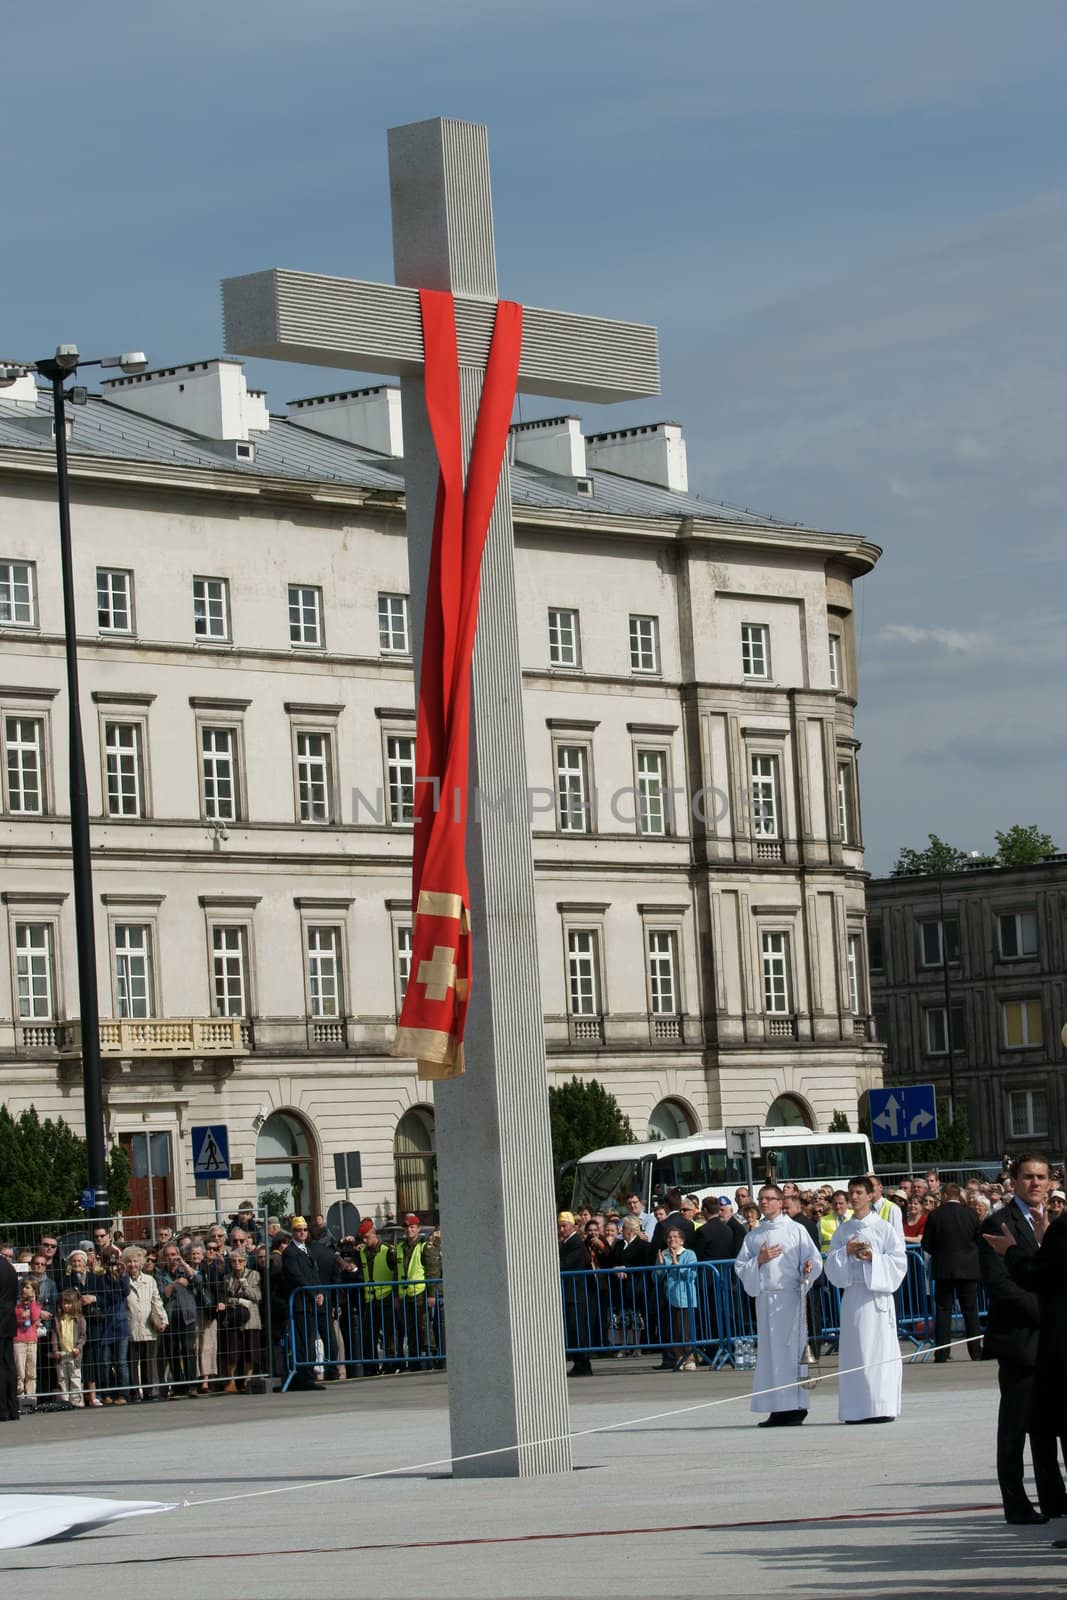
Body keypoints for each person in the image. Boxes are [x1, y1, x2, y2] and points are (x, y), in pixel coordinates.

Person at [980, 1152, 1067, 1524]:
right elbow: (1001, 1284)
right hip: (1020, 1339)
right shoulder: (999, 1222)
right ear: (1013, 1181)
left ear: (1051, 1182)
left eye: (1042, 1177)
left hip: (1053, 1343)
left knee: (1050, 1426)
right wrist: (1047, 1313)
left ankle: (1054, 1500)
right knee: (1016, 1426)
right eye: (1028, 1177)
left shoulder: (1055, 1222)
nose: (1035, 1183)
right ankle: (1015, 1501)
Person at [734, 1183, 821, 1426]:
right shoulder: (754, 1235)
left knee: (792, 1353)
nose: (764, 1202)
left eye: (770, 1198)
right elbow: (740, 1267)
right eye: (761, 1198)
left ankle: (796, 1406)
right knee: (771, 1355)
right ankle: (776, 1407)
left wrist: (808, 1268)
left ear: (780, 1202)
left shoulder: (796, 1230)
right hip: (766, 1300)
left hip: (790, 1298)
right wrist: (759, 1261)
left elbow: (812, 1258)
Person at [824, 1175, 907, 1424]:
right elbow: (831, 1265)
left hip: (877, 1295)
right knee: (855, 1352)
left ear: (870, 1195)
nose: (854, 1197)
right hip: (854, 1296)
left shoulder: (882, 1228)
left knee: (879, 1352)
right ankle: (856, 1408)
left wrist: (874, 1259)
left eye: (859, 1192)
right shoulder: (844, 1230)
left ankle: (881, 1405)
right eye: (851, 1192)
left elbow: (899, 1261)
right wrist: (844, 1253)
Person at [921, 1182, 983, 1363]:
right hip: (968, 1268)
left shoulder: (935, 1216)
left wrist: (939, 1253)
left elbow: (926, 1243)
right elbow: (979, 1239)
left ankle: (941, 1352)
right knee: (971, 1310)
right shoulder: (971, 1215)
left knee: (943, 1311)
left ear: (946, 1196)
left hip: (944, 1268)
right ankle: (976, 1351)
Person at [281, 1217, 326, 1390]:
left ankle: (308, 1375)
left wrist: (319, 1291)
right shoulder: (291, 1252)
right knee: (302, 1342)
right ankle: (304, 1377)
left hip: (309, 1302)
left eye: (305, 1230)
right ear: (293, 1232)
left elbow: (314, 1274)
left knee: (310, 1340)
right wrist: (313, 1292)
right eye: (299, 1230)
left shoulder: (307, 1250)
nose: (302, 1233)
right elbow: (296, 1276)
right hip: (300, 1303)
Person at [394, 1214, 442, 1369]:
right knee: (410, 1328)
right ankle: (414, 1361)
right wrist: (396, 1295)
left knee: (424, 1327)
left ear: (418, 1229)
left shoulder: (424, 1246)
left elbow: (432, 1271)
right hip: (405, 1295)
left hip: (420, 1294)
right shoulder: (400, 1247)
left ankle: (430, 1358)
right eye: (407, 1228)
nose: (409, 1230)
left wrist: (431, 1293)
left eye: (412, 1227)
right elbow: (397, 1273)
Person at [124, 1247, 166, 1401]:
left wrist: (163, 1319)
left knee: (149, 1361)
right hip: (131, 1327)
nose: (133, 1265)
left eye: (135, 1261)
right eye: (129, 1261)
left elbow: (157, 1301)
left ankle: (150, 1392)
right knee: (133, 1363)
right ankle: (135, 1393)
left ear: (141, 1263)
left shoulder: (150, 1280)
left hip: (148, 1327)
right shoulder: (123, 1281)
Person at [656, 1226, 698, 1371]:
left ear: (681, 1240)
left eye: (675, 1237)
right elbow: (656, 1278)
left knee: (684, 1331)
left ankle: (691, 1359)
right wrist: (660, 1266)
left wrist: (676, 1264)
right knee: (673, 1331)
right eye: (669, 1237)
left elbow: (691, 1275)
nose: (672, 1239)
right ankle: (679, 1359)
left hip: (684, 1298)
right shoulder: (663, 1254)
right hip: (668, 1297)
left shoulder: (689, 1254)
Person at [559, 1211, 592, 1376]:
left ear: (572, 1226)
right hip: (569, 1291)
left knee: (578, 1328)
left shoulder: (576, 1243)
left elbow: (566, 1264)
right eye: (560, 1226)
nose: (561, 1229)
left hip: (575, 1291)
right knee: (573, 1329)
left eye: (564, 1226)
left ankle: (584, 1363)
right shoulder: (565, 1242)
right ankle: (579, 1362)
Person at [50, 1288, 86, 1408]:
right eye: (64, 1303)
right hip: (61, 1353)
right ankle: (64, 1400)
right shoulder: (57, 1319)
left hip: (74, 1354)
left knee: (75, 1376)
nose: (66, 1306)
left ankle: (76, 1399)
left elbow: (82, 1336)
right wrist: (55, 1350)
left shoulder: (79, 1319)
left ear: (74, 1304)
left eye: (69, 1303)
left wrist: (78, 1348)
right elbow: (54, 1335)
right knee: (62, 1377)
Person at [14, 1277, 42, 1407]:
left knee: (31, 1370)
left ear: (34, 1290)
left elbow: (35, 1316)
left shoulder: (36, 1305)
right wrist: (22, 1316)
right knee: (20, 1370)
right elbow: (17, 1318)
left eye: (28, 1287)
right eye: (24, 1287)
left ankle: (31, 1397)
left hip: (32, 1340)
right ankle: (19, 1395)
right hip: (19, 1340)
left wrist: (32, 1301)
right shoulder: (17, 1305)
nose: (25, 1289)